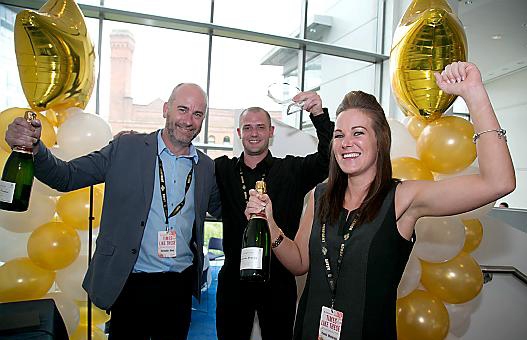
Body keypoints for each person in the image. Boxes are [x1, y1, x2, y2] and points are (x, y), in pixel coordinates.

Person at [246, 62, 515, 340]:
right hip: (309, 330)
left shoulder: (402, 198)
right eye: (339, 135)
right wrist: (271, 225)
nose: (346, 142)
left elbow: (499, 182)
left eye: (358, 133)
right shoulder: (320, 195)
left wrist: (474, 94)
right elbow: (300, 262)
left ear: (380, 141)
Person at [5, 83, 222, 340]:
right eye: (183, 109)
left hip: (179, 287)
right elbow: (66, 176)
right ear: (166, 109)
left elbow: (222, 209)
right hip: (130, 283)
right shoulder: (126, 148)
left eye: (197, 114)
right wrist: (36, 148)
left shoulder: (206, 167)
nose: (188, 120)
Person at [214, 91, 333, 340]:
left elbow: (327, 159)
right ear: (239, 134)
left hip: (278, 279)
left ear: (271, 132)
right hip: (234, 281)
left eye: (260, 127)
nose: (254, 133)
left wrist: (318, 115)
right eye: (247, 128)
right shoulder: (222, 170)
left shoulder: (291, 170)